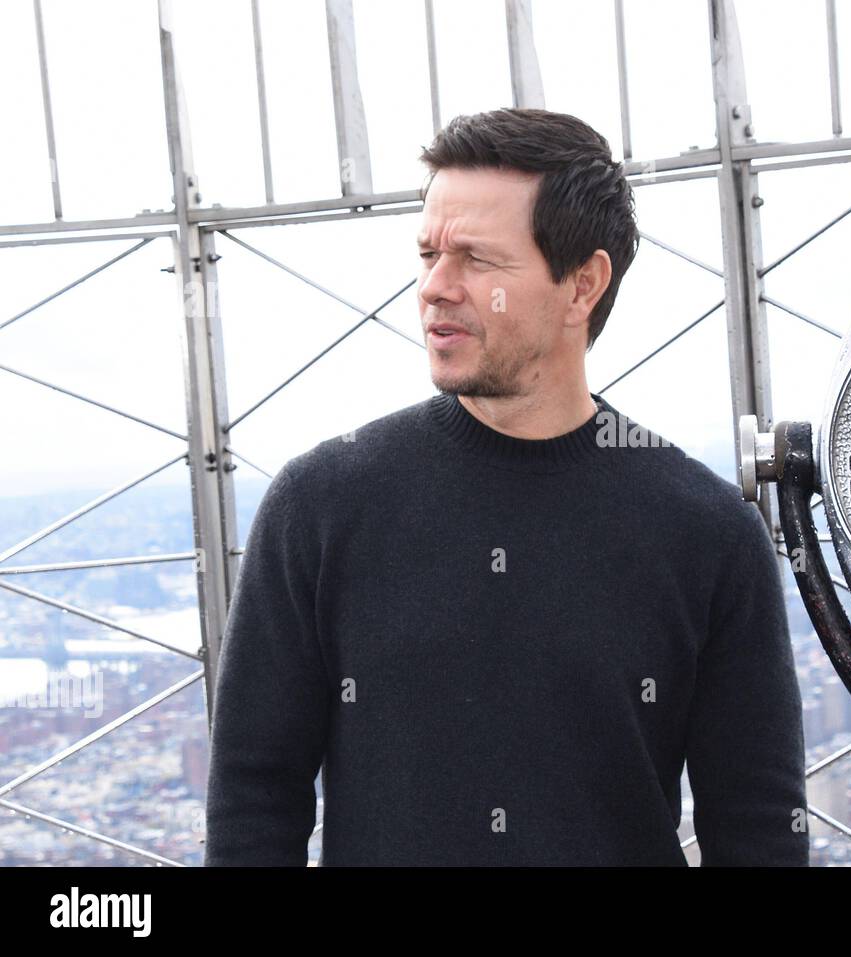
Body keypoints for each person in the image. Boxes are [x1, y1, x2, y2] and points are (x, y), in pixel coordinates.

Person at [203, 107, 807, 866]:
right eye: (427, 254)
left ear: (582, 284)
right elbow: (253, 802)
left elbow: (756, 826)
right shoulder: (320, 506)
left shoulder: (708, 531)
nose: (434, 287)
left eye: (477, 260)